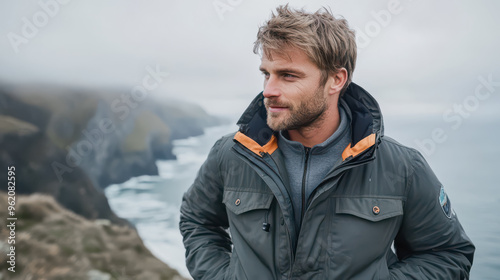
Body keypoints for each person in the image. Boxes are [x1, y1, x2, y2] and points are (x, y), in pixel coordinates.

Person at [180, 5, 475, 279]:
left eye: (288, 76)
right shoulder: (230, 153)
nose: (268, 90)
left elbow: (447, 254)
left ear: (336, 80)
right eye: (266, 74)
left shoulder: (401, 167)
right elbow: (197, 221)